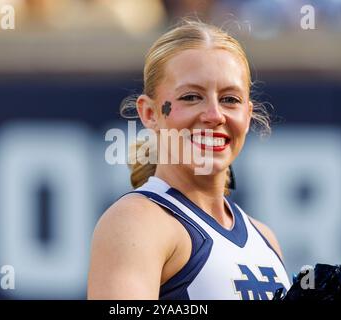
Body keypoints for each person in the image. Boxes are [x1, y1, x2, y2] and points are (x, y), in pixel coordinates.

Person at [87, 19, 290, 300]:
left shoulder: (265, 238)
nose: (215, 115)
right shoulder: (135, 222)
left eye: (230, 99)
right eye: (192, 97)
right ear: (150, 113)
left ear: (248, 113)